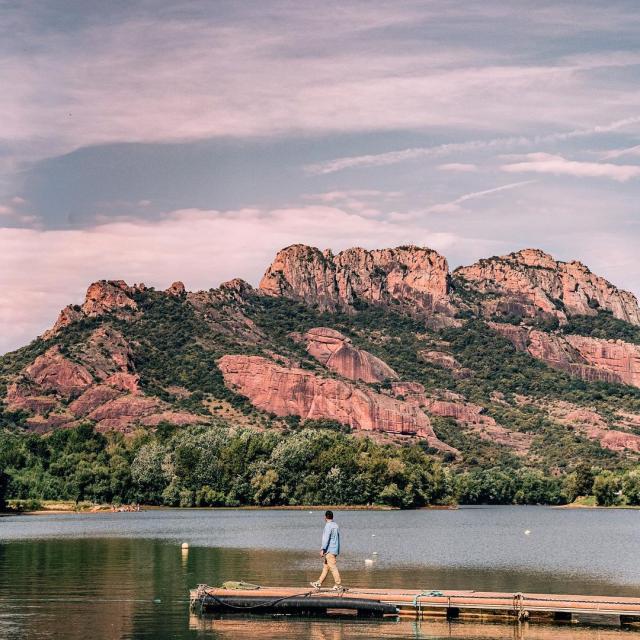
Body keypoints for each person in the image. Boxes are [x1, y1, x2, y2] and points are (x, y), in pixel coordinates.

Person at [311, 510, 342, 590]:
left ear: (325, 517)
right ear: (332, 517)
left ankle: (338, 584)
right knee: (325, 567)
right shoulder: (335, 525)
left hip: (329, 551)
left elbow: (326, 539)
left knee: (332, 567)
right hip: (334, 550)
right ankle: (319, 583)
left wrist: (322, 549)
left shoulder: (328, 526)